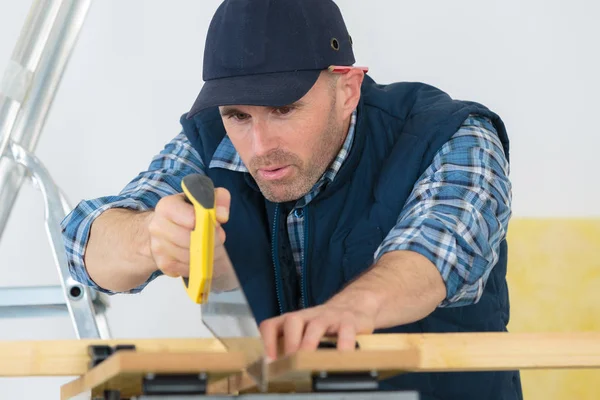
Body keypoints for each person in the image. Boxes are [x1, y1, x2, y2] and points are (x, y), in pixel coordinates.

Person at [60, 0, 522, 398]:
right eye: (239, 114)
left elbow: (434, 253)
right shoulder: (214, 142)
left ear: (347, 89)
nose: (259, 146)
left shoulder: (453, 137)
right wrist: (147, 238)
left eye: (284, 109)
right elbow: (84, 247)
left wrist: (349, 311)